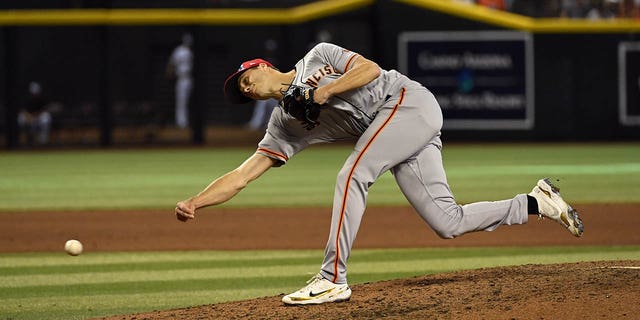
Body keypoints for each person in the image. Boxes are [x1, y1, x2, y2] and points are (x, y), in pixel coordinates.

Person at [175, 42, 584, 305]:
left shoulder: (317, 57)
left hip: (407, 102)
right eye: (241, 92)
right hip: (399, 132)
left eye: (247, 79)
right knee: (447, 222)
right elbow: (244, 173)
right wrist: (196, 201)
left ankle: (332, 277)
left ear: (263, 66)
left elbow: (369, 69)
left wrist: (324, 91)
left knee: (352, 173)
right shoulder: (284, 125)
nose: (246, 88)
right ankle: (535, 202)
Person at [246, 39, 279, 131]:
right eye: (269, 49)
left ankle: (267, 125)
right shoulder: (263, 61)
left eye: (271, 49)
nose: (270, 51)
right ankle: (256, 124)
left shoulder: (277, 60)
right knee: (262, 106)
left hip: (275, 89)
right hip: (266, 89)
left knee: (274, 108)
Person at [166, 33, 194, 129]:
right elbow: (171, 63)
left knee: (191, 101)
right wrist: (169, 74)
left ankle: (189, 121)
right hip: (181, 78)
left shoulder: (192, 51)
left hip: (190, 78)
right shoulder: (178, 51)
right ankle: (181, 122)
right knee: (181, 101)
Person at [17, 81, 53, 146]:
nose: (35, 94)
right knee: (21, 118)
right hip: (29, 117)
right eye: (33, 93)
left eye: (36, 92)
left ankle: (43, 141)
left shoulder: (42, 98)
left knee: (46, 118)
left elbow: (44, 109)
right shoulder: (27, 99)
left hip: (38, 117)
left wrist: (36, 116)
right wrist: (29, 117)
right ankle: (22, 137)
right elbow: (23, 110)